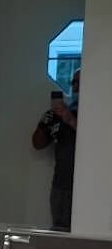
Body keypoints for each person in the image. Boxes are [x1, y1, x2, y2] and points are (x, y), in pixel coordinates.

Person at [32, 69, 79, 231]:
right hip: (60, 185)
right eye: (73, 82)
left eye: (78, 82)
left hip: (85, 185)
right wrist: (44, 124)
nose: (75, 86)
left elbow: (95, 141)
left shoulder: (93, 113)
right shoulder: (61, 113)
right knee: (59, 233)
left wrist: (70, 120)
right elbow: (37, 144)